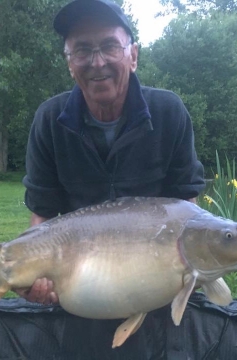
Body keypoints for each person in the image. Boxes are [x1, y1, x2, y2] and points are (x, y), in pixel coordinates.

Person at [16, 0, 205, 304]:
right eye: (82, 50)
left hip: (155, 276)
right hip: (81, 276)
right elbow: (43, 212)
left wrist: (194, 263)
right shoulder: (49, 119)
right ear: (69, 63)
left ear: (133, 55)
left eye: (109, 46)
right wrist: (29, 273)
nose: (97, 61)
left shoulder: (169, 111)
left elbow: (187, 206)